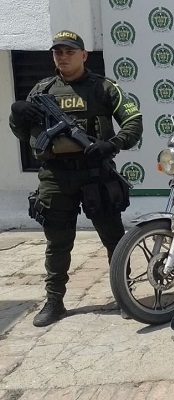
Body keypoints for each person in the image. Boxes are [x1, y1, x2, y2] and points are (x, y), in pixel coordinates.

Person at [9, 30, 143, 326]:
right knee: (57, 241)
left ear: (84, 55)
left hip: (96, 173)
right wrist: (17, 114)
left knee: (113, 239)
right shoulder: (41, 91)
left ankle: (124, 296)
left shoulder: (104, 87)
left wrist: (112, 144)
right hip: (55, 176)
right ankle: (54, 301)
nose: (63, 57)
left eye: (70, 51)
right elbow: (23, 134)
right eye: (58, 52)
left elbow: (133, 122)